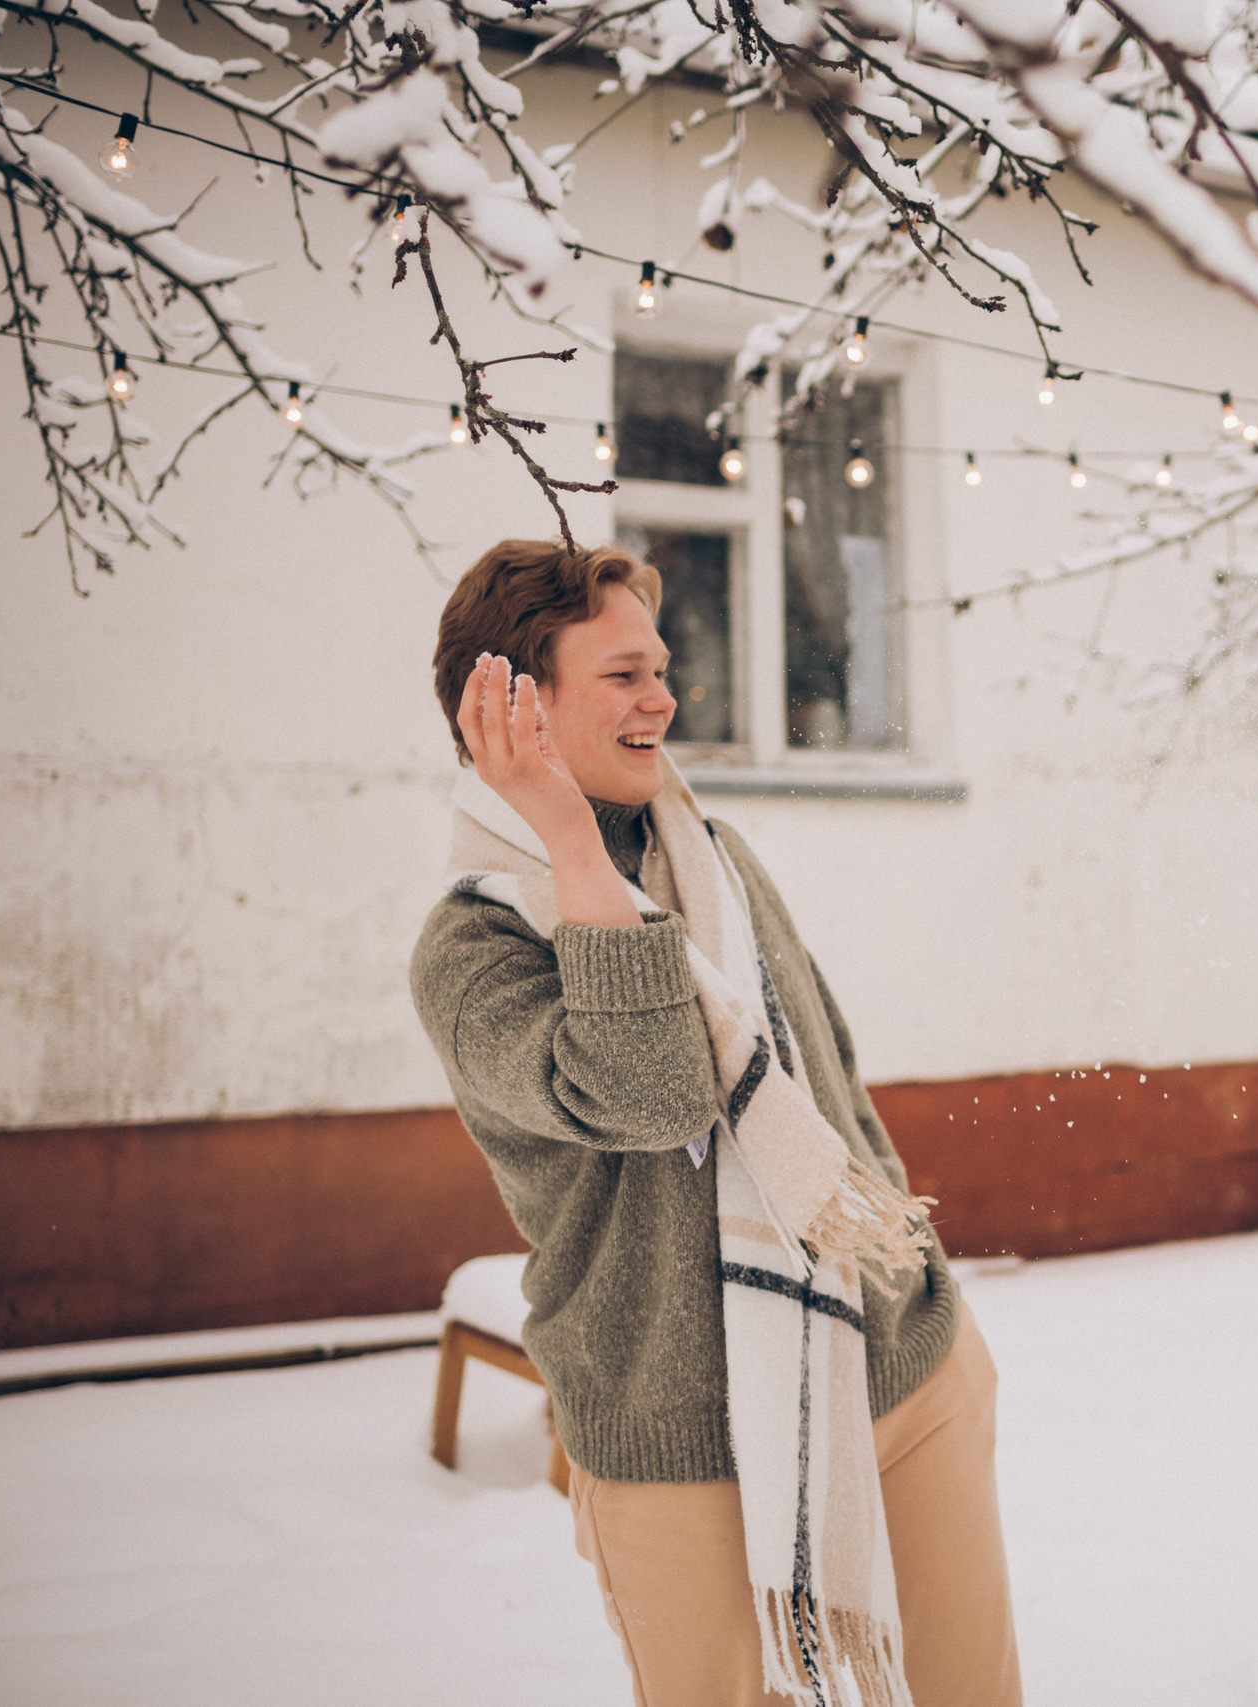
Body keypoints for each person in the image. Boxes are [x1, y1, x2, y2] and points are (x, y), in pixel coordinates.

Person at [409, 540, 1019, 1707]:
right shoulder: (473, 948)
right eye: (626, 675)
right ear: (517, 708)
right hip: (679, 1444)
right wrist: (571, 840)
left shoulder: (711, 855)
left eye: (662, 668)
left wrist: (911, 1273)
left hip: (895, 1361)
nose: (664, 700)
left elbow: (829, 1069)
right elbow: (650, 1097)